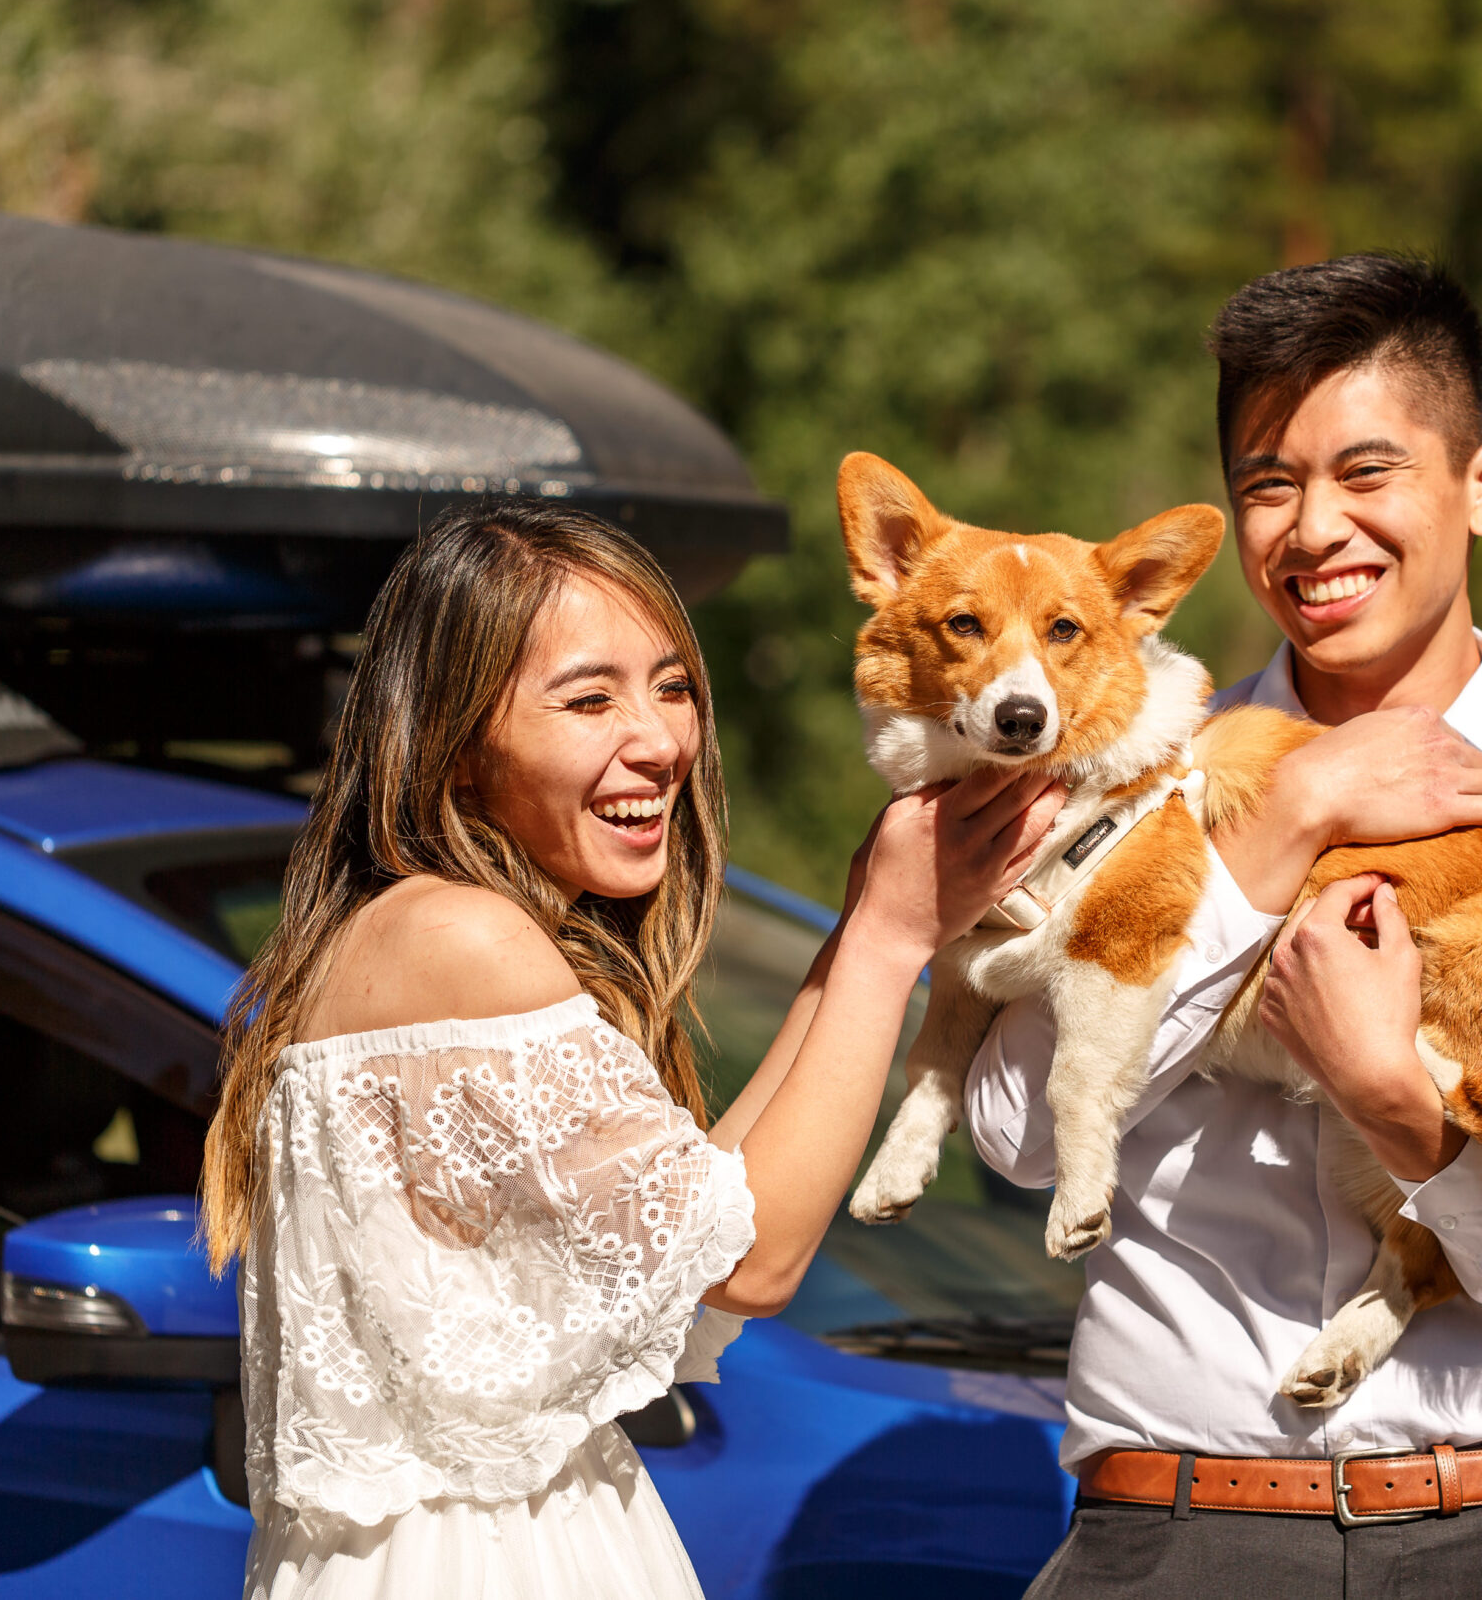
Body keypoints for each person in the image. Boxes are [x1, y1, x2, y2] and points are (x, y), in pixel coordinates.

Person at [966, 254, 1482, 1596]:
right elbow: (1019, 1137)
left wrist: (1401, 1107)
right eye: (1270, 483)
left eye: (1366, 472)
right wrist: (1276, 833)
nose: (1314, 527)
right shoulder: (1120, 785)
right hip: (1173, 1537)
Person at [201, 500, 1068, 1600]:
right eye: (588, 697)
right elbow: (753, 1267)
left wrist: (858, 929)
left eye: (670, 686)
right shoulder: (459, 937)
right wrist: (888, 947)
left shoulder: (407, 930)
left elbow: (706, 1222)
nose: (659, 740)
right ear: (455, 743)